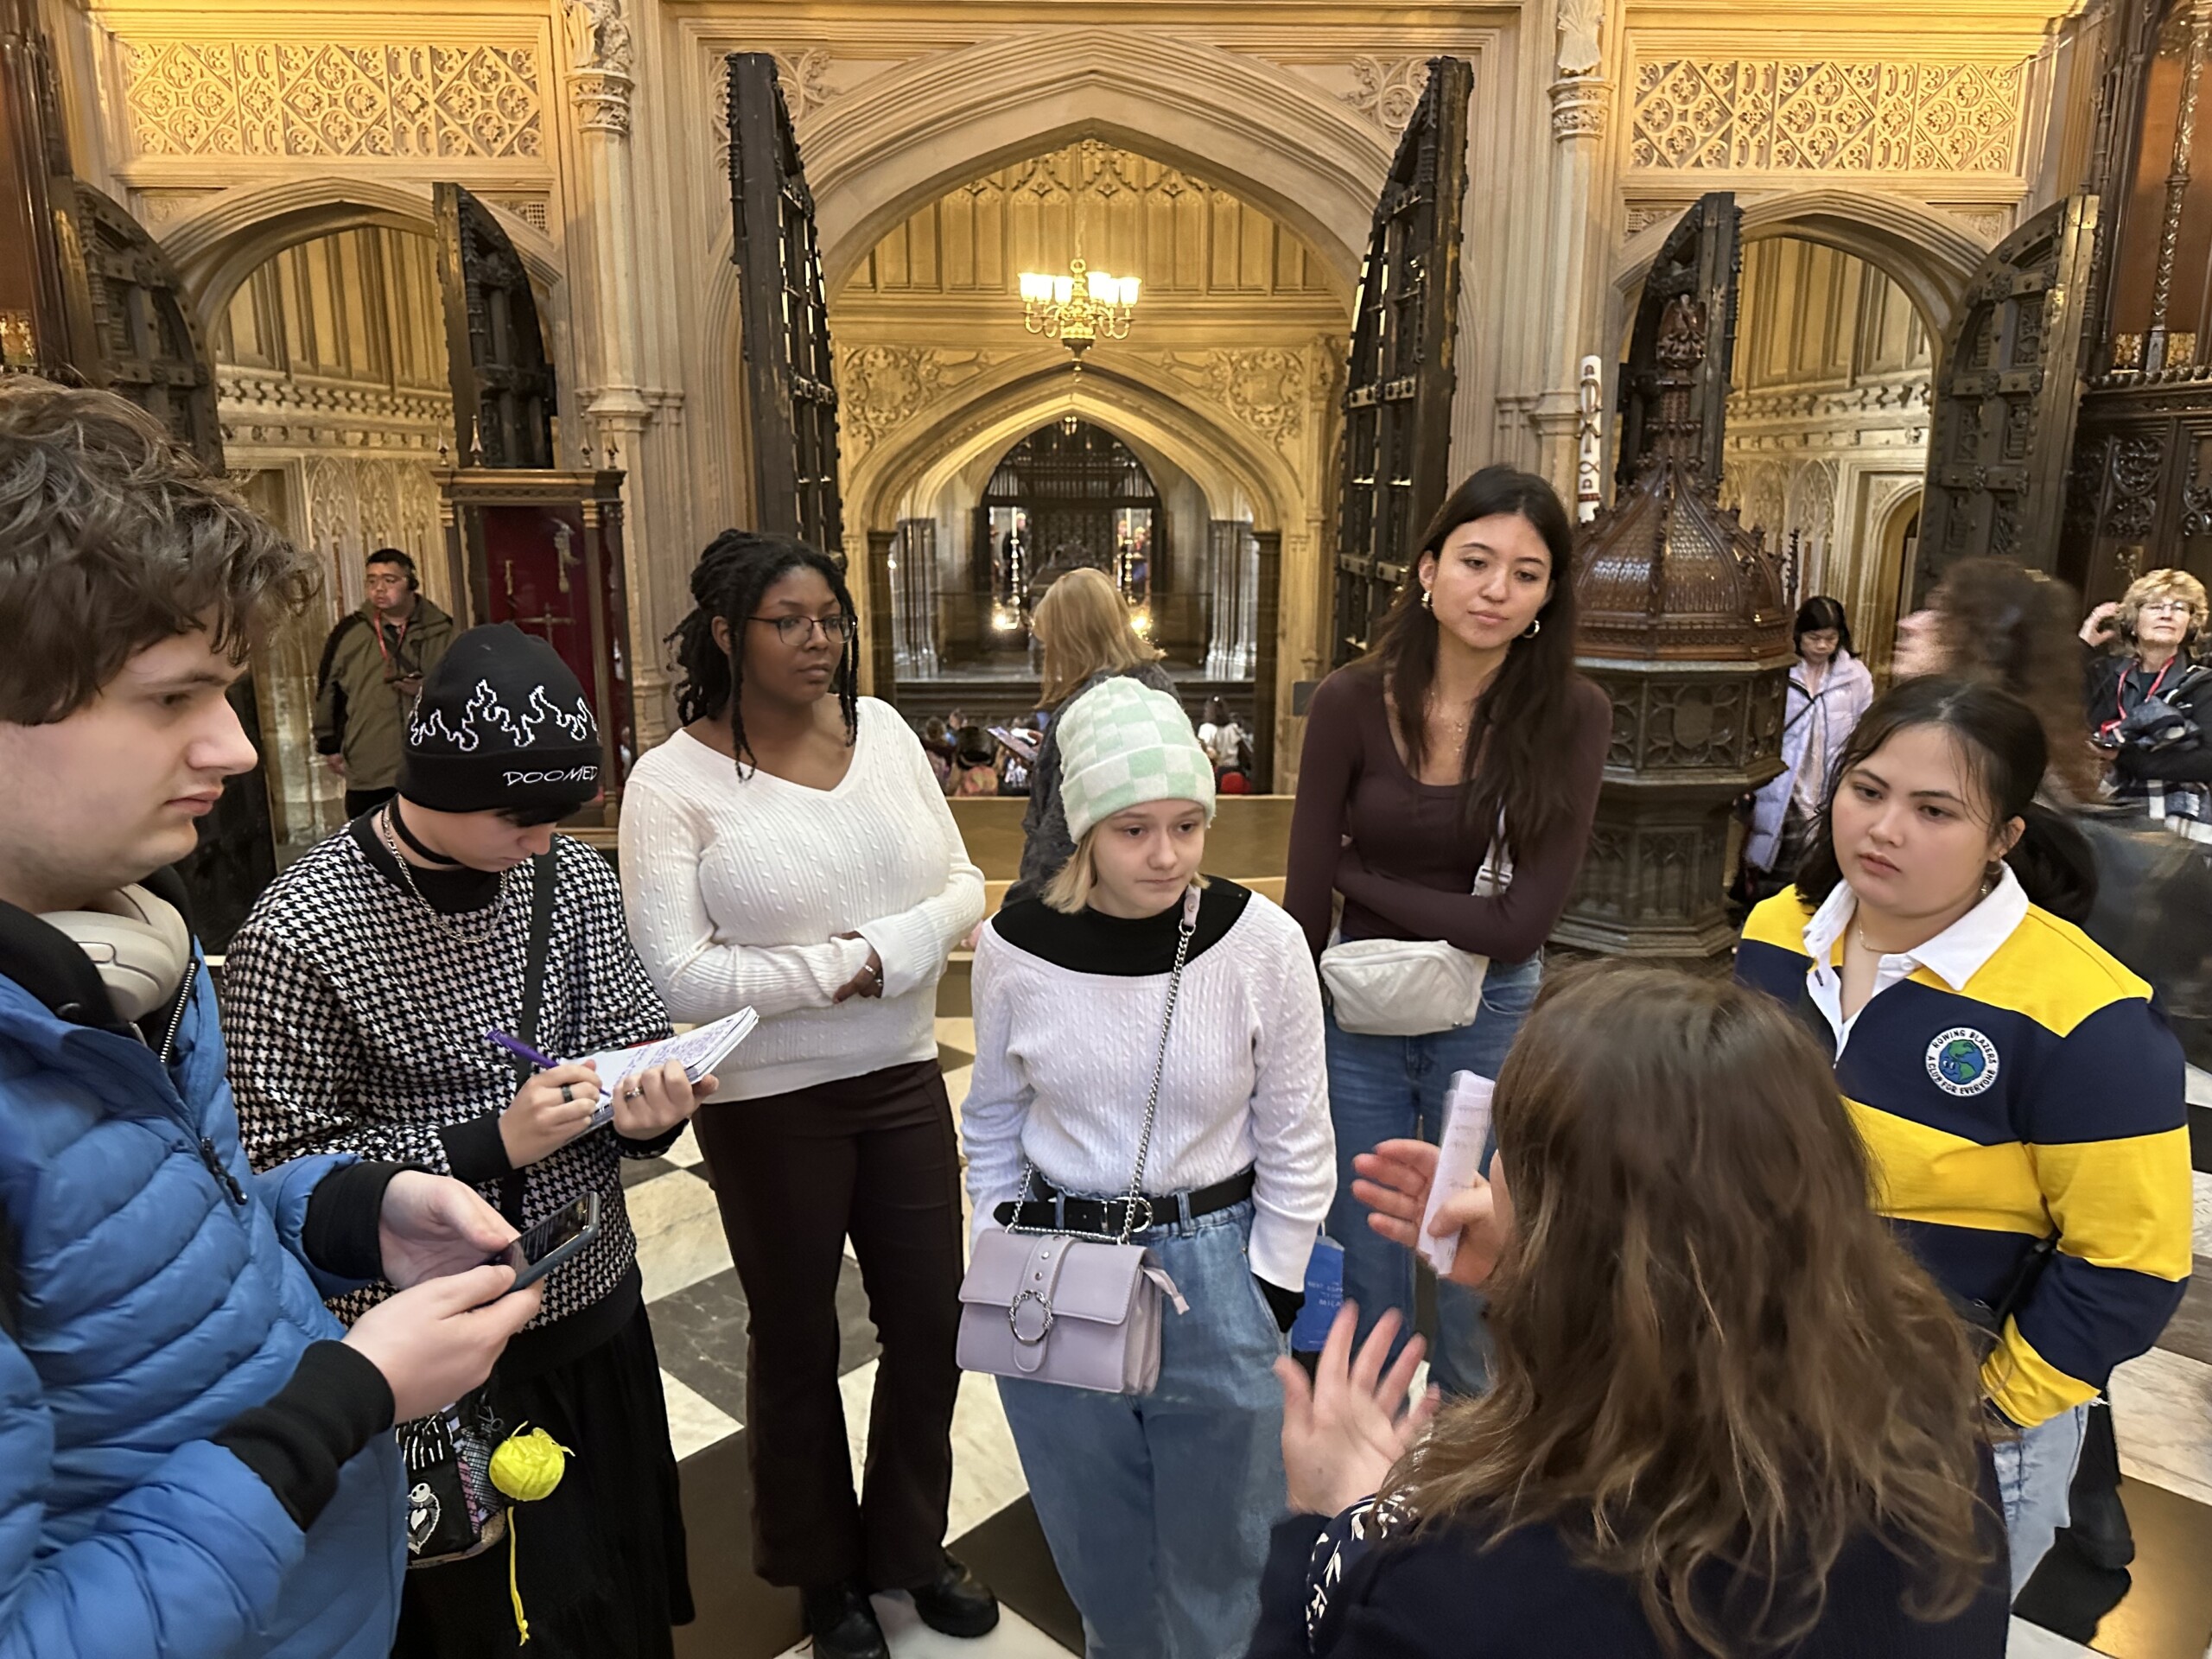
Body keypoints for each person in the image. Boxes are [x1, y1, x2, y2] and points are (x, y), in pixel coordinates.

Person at [0, 379, 538, 1656]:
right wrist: (343, 1401)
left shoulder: (119, 955)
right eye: (171, 697)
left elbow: (174, 1249)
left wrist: (356, 1210)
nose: (238, 749)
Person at [1253, 964, 2012, 1658]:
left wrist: (1341, 1518)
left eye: (1509, 1155)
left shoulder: (1475, 1590)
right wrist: (1538, 1275)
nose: (1489, 1175)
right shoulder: (1928, 1424)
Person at [226, 623, 708, 1658]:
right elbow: (278, 1167)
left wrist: (645, 1102)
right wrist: (488, 1139)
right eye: (515, 816)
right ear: (429, 781)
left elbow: (624, 1028)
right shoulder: (301, 926)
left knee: (608, 1598)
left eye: (557, 816)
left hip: (586, 1305)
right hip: (427, 1351)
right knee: (479, 1622)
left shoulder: (568, 881)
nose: (539, 841)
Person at [1734, 677, 2193, 1595]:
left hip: (1944, 1429)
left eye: (1934, 810)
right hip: (1764, 1384)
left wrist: (1987, 1409)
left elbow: (2132, 1262)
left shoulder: (2082, 1015)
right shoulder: (1780, 933)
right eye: (1866, 792)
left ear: (2003, 838)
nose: (1883, 830)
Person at [620, 531, 991, 1659]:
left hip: (902, 1078)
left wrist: (887, 945)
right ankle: (822, 1576)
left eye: (831, 618)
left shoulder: (881, 734)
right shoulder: (671, 783)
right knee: (794, 1340)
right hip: (767, 1103)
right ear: (728, 633)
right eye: (792, 621)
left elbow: (966, 883)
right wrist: (845, 967)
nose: (820, 640)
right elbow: (679, 974)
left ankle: (909, 1547)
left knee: (931, 1322)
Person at [963, 677, 1333, 1657]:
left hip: (1218, 1262)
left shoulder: (1263, 944)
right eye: (1133, 829)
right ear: (1083, 828)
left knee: (1231, 1555)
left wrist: (1274, 1284)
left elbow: (1298, 1132)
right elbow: (993, 1122)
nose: (1166, 854)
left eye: (1187, 824)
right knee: (1099, 1550)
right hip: (1055, 1256)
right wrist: (996, 1246)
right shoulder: (1013, 947)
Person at [1282, 464, 1609, 1397]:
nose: (1496, 590)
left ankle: (1474, 1449)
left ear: (1549, 594)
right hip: (1356, 1007)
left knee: (1476, 1229)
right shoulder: (1350, 700)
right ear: (1427, 569)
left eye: (1526, 571)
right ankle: (1368, 1450)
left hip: (1491, 1008)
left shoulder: (1573, 715)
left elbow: (1520, 926)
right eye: (1475, 561)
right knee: (1367, 1233)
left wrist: (1360, 871)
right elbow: (1306, 909)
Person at [1004, 565, 1178, 907]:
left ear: (1074, 640)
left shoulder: (1097, 702)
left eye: (1052, 644)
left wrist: (1015, 916)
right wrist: (1054, 756)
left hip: (1086, 901)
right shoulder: (1155, 681)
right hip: (1140, 887)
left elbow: (1062, 838)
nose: (1049, 657)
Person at [1741, 595, 1874, 901]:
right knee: (1781, 843)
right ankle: (1764, 909)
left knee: (1817, 849)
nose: (1823, 646)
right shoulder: (1780, 671)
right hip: (1783, 773)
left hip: (1828, 774)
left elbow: (1865, 726)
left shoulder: (1856, 677)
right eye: (1814, 638)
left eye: (1831, 638)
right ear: (1799, 636)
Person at [315, 547, 455, 820]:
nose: (379, 588)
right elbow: (328, 689)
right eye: (371, 580)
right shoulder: (349, 632)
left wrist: (426, 689)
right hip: (370, 760)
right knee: (370, 843)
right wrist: (328, 744)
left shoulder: (445, 630)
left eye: (390, 580)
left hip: (430, 762)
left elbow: (466, 689)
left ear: (411, 584)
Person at [2082, 568, 2212, 842]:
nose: (2167, 614)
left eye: (2179, 608)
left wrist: (2124, 758)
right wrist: (2084, 643)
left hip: (2176, 821)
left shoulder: (2204, 684)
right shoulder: (2103, 674)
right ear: (2133, 620)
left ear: (2190, 623)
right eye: (2155, 606)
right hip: (2097, 807)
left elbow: (2206, 761)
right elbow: (2056, 712)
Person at [1197, 695, 1248, 782]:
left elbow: (1206, 751)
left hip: (1217, 773)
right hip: (1235, 769)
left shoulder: (1206, 728)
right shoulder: (1234, 728)